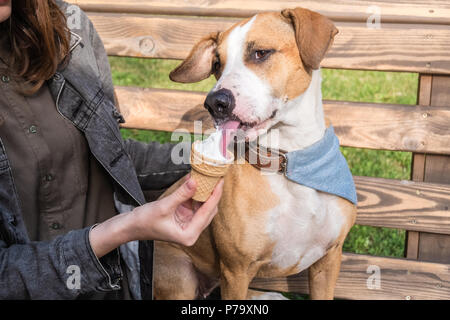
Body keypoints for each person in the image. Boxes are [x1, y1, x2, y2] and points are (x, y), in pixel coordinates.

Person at [0, 0, 223, 299]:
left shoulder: (66, 27)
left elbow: (112, 154)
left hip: (114, 286)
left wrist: (211, 154)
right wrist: (125, 229)